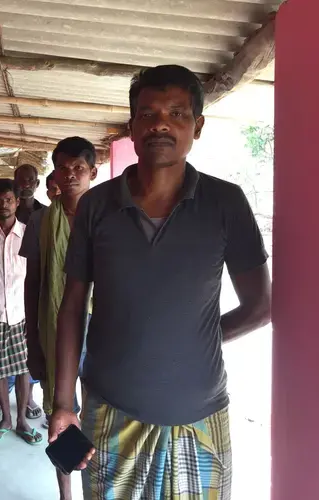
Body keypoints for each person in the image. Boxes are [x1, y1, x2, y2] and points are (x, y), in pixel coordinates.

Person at [51, 65, 272, 500]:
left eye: (177, 113)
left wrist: (195, 338)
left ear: (198, 126)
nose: (161, 125)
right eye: (148, 114)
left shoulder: (225, 203)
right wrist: (62, 404)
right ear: (132, 128)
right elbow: (73, 305)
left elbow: (261, 306)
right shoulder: (97, 206)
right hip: (111, 411)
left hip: (200, 416)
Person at [20, 137, 98, 500]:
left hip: (100, 333)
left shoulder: (105, 216)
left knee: (96, 415)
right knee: (61, 415)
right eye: (63, 169)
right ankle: (66, 491)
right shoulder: (40, 221)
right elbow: (34, 281)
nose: (70, 176)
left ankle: (95, 487)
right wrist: (32, 343)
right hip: (53, 331)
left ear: (92, 172)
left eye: (78, 169)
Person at [0, 179, 43, 447]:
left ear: (17, 202)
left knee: (23, 369)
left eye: (9, 199)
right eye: (0, 199)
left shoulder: (30, 235)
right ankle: (5, 418)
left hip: (22, 314)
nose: (4, 204)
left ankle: (22, 421)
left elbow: (36, 277)